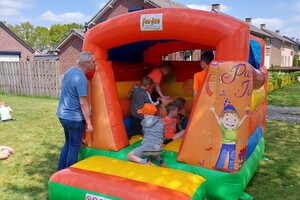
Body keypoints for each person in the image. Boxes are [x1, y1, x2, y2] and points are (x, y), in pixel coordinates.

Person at [56, 52, 97, 171]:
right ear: (86, 63)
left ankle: (60, 172)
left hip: (63, 115)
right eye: (93, 61)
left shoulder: (70, 71)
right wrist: (89, 123)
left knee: (68, 143)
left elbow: (62, 87)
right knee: (74, 147)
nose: (95, 63)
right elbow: (83, 103)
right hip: (74, 118)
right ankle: (68, 175)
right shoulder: (80, 78)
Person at [210, 91, 248, 172]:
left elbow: (241, 122)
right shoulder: (223, 127)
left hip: (233, 145)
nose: (231, 122)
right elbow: (218, 121)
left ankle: (231, 168)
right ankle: (219, 166)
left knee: (232, 156)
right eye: (227, 119)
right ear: (222, 119)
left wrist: (245, 115)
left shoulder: (236, 127)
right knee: (222, 156)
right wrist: (213, 112)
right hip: (225, 144)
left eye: (234, 120)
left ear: (237, 120)